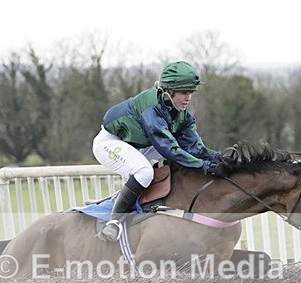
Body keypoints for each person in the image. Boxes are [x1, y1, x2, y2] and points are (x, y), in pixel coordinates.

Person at [92, 61, 228, 242]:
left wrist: (220, 158)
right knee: (143, 171)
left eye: (191, 93)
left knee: (172, 161)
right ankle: (114, 222)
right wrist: (205, 167)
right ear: (168, 91)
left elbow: (195, 147)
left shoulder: (183, 114)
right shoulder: (151, 108)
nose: (188, 98)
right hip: (109, 143)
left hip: (138, 144)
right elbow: (168, 148)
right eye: (183, 93)